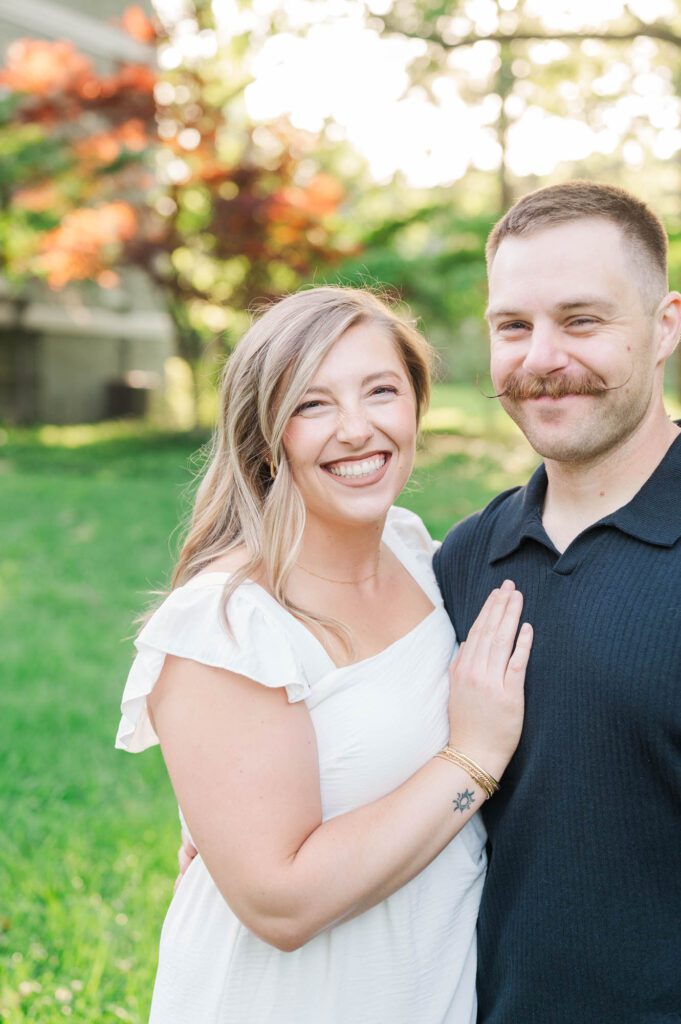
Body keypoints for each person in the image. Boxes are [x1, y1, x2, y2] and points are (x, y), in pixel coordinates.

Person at [115, 287, 533, 1024]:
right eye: (311, 405)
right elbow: (281, 905)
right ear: (262, 437)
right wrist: (472, 758)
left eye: (381, 391)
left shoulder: (412, 550)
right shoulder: (228, 625)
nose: (356, 428)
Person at [433, 182, 681, 1023]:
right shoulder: (465, 558)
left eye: (580, 320)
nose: (540, 358)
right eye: (513, 325)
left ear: (665, 327)